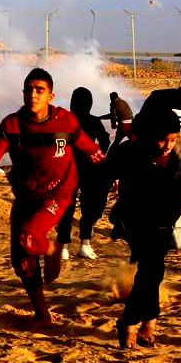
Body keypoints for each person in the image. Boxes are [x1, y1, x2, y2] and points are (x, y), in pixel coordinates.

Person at [0, 69, 104, 325]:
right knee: (21, 260)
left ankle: (53, 249)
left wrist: (110, 173)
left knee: (29, 237)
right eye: (28, 89)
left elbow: (90, 148)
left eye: (39, 90)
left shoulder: (66, 121)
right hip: (25, 195)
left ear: (50, 95)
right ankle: (43, 315)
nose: (33, 95)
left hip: (58, 192)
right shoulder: (12, 124)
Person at [107, 108, 181, 349]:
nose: (168, 145)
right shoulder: (130, 153)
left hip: (164, 223)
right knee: (151, 272)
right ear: (146, 135)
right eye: (162, 139)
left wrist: (179, 165)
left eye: (172, 138)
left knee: (151, 273)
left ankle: (149, 321)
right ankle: (129, 322)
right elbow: (111, 172)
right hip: (135, 222)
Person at [58, 87, 112, 260]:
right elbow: (105, 140)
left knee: (66, 208)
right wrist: (98, 155)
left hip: (67, 168)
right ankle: (85, 244)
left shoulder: (64, 120)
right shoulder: (94, 121)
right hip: (90, 169)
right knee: (89, 208)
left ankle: (63, 248)